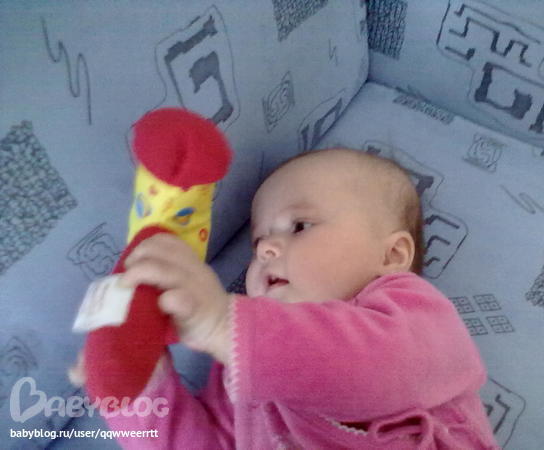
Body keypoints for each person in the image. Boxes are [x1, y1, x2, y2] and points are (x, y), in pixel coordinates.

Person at [71, 148, 499, 449]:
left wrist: (221, 324)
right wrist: (137, 388)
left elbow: (373, 370)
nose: (265, 250)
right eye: (257, 242)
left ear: (392, 255)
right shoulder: (238, 368)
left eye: (299, 227)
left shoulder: (415, 315)